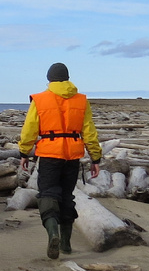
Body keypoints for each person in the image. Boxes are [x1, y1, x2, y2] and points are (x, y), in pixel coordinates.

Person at [18, 63, 102, 259]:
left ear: (49, 79)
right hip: (72, 156)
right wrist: (95, 157)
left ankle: (53, 233)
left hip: (49, 155)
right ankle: (66, 244)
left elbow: (29, 129)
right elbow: (89, 132)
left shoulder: (39, 100)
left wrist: (24, 153)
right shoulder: (81, 101)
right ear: (67, 78)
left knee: (47, 194)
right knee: (66, 196)